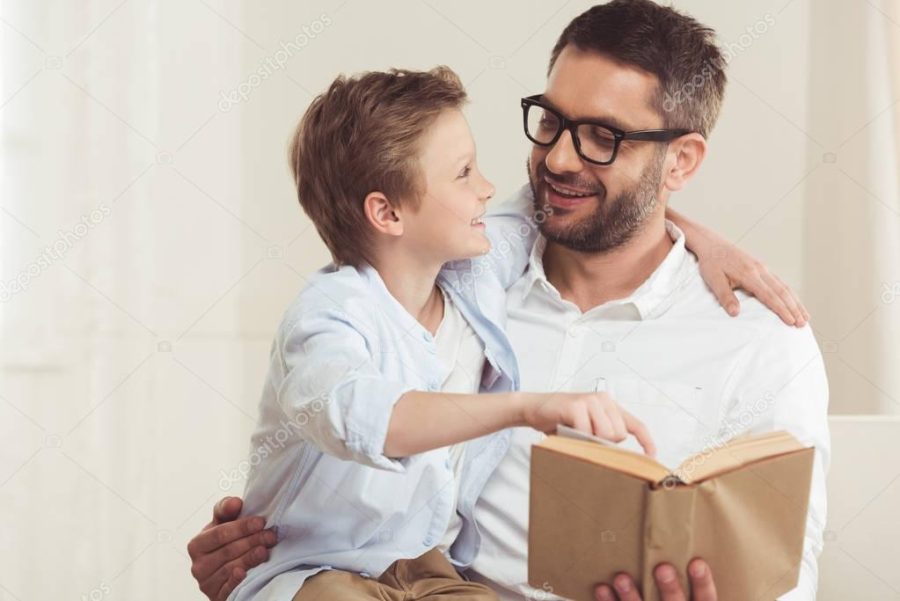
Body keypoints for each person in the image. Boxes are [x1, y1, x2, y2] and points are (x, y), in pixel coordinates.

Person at [189, 2, 828, 600]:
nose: (558, 157)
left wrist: (693, 239)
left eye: (602, 136)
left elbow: (784, 568)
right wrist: (272, 558)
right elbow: (353, 398)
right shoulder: (465, 271)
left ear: (681, 162)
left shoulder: (761, 338)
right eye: (551, 121)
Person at [229, 65, 659, 601]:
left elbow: (591, 205)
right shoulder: (326, 318)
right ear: (386, 213)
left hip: (433, 573)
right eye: (463, 174)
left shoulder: (473, 274)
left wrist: (704, 242)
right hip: (317, 572)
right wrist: (529, 407)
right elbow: (369, 418)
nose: (487, 188)